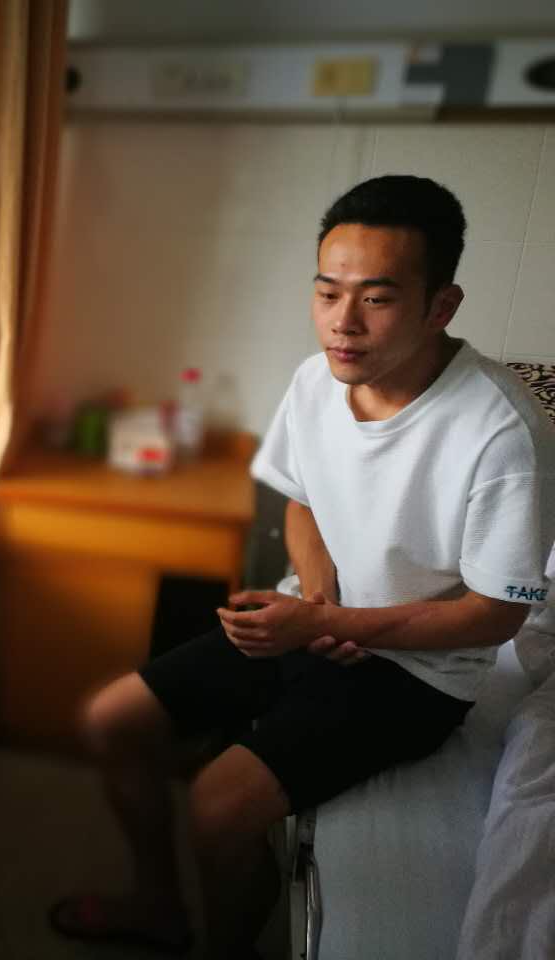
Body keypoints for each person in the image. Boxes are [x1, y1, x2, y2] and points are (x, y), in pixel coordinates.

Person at [50, 175, 555, 959]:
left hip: (418, 674)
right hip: (315, 618)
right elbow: (302, 500)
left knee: (218, 806)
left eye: (376, 299)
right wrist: (319, 600)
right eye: (327, 293)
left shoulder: (502, 432)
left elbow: (497, 614)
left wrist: (332, 622)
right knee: (112, 719)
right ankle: (158, 906)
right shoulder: (318, 379)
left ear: (441, 306)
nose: (342, 323)